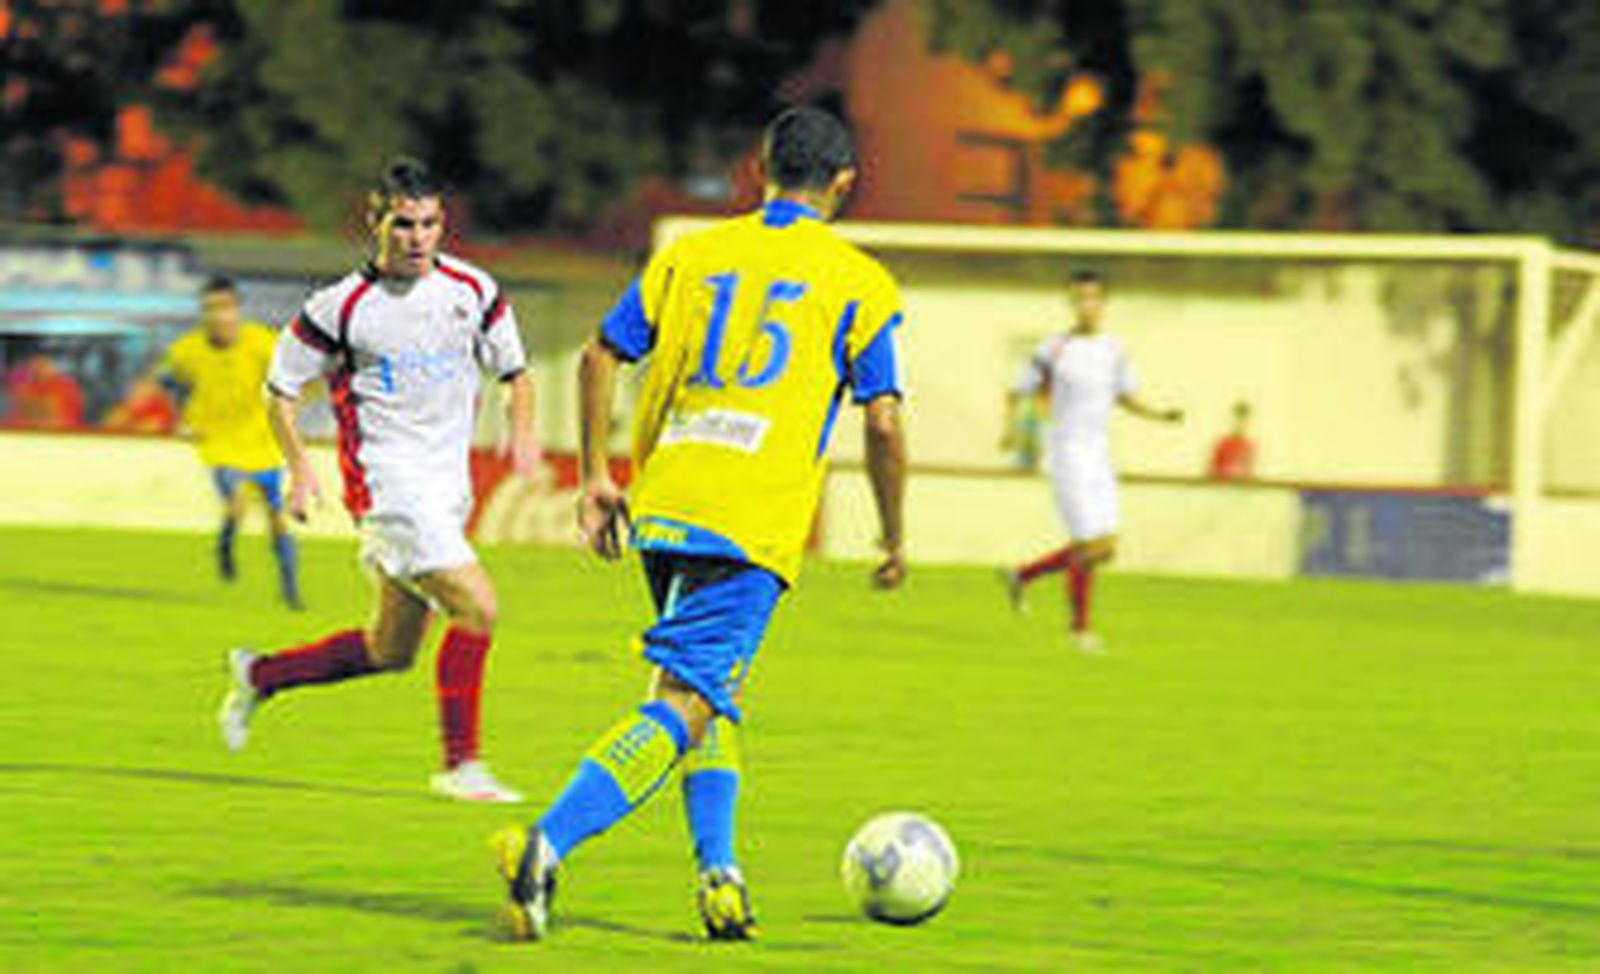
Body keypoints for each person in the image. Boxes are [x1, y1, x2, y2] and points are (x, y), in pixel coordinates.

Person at [489, 106, 908, 943]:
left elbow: (602, 352)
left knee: (709, 694)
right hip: (750, 520)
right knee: (688, 703)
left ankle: (722, 881)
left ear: (759, 169)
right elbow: (886, 422)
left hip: (667, 498)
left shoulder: (690, 255)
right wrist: (895, 533)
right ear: (845, 184)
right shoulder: (859, 280)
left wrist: (600, 475)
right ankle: (547, 845)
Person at [215, 158, 539, 804]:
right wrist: (300, 470)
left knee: (389, 650)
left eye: (428, 223)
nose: (417, 238)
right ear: (375, 223)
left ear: (442, 222)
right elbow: (280, 391)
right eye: (403, 225)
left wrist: (523, 432)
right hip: (387, 487)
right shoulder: (339, 308)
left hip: (447, 488)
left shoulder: (472, 291)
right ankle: (461, 765)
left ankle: (260, 674)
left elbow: (516, 374)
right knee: (478, 606)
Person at [999, 270, 1182, 651]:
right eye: (1080, 298)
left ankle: (1022, 575)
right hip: (1065, 453)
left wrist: (1160, 415)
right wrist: (1012, 431)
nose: (1087, 306)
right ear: (1071, 303)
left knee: (1105, 548)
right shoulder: (1054, 349)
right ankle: (1079, 630)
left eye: (1094, 298)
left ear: (1104, 303)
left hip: (1099, 455)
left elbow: (1126, 396)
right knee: (1087, 543)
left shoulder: (1114, 350)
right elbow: (1017, 391)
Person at [159, 277, 301, 607]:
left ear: (237, 310)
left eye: (224, 308)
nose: (218, 316)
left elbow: (294, 381)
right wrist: (181, 417)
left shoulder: (262, 343)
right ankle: (226, 546)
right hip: (219, 445)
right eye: (210, 309)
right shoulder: (186, 350)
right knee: (237, 504)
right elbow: (167, 383)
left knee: (277, 519)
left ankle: (290, 589)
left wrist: (287, 412)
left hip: (262, 444)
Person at [1208, 399, 1257, 480]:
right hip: (1223, 487)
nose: (1240, 423)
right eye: (1238, 419)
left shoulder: (1249, 447)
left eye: (1244, 419)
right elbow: (1212, 471)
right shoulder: (1223, 444)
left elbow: (1249, 473)